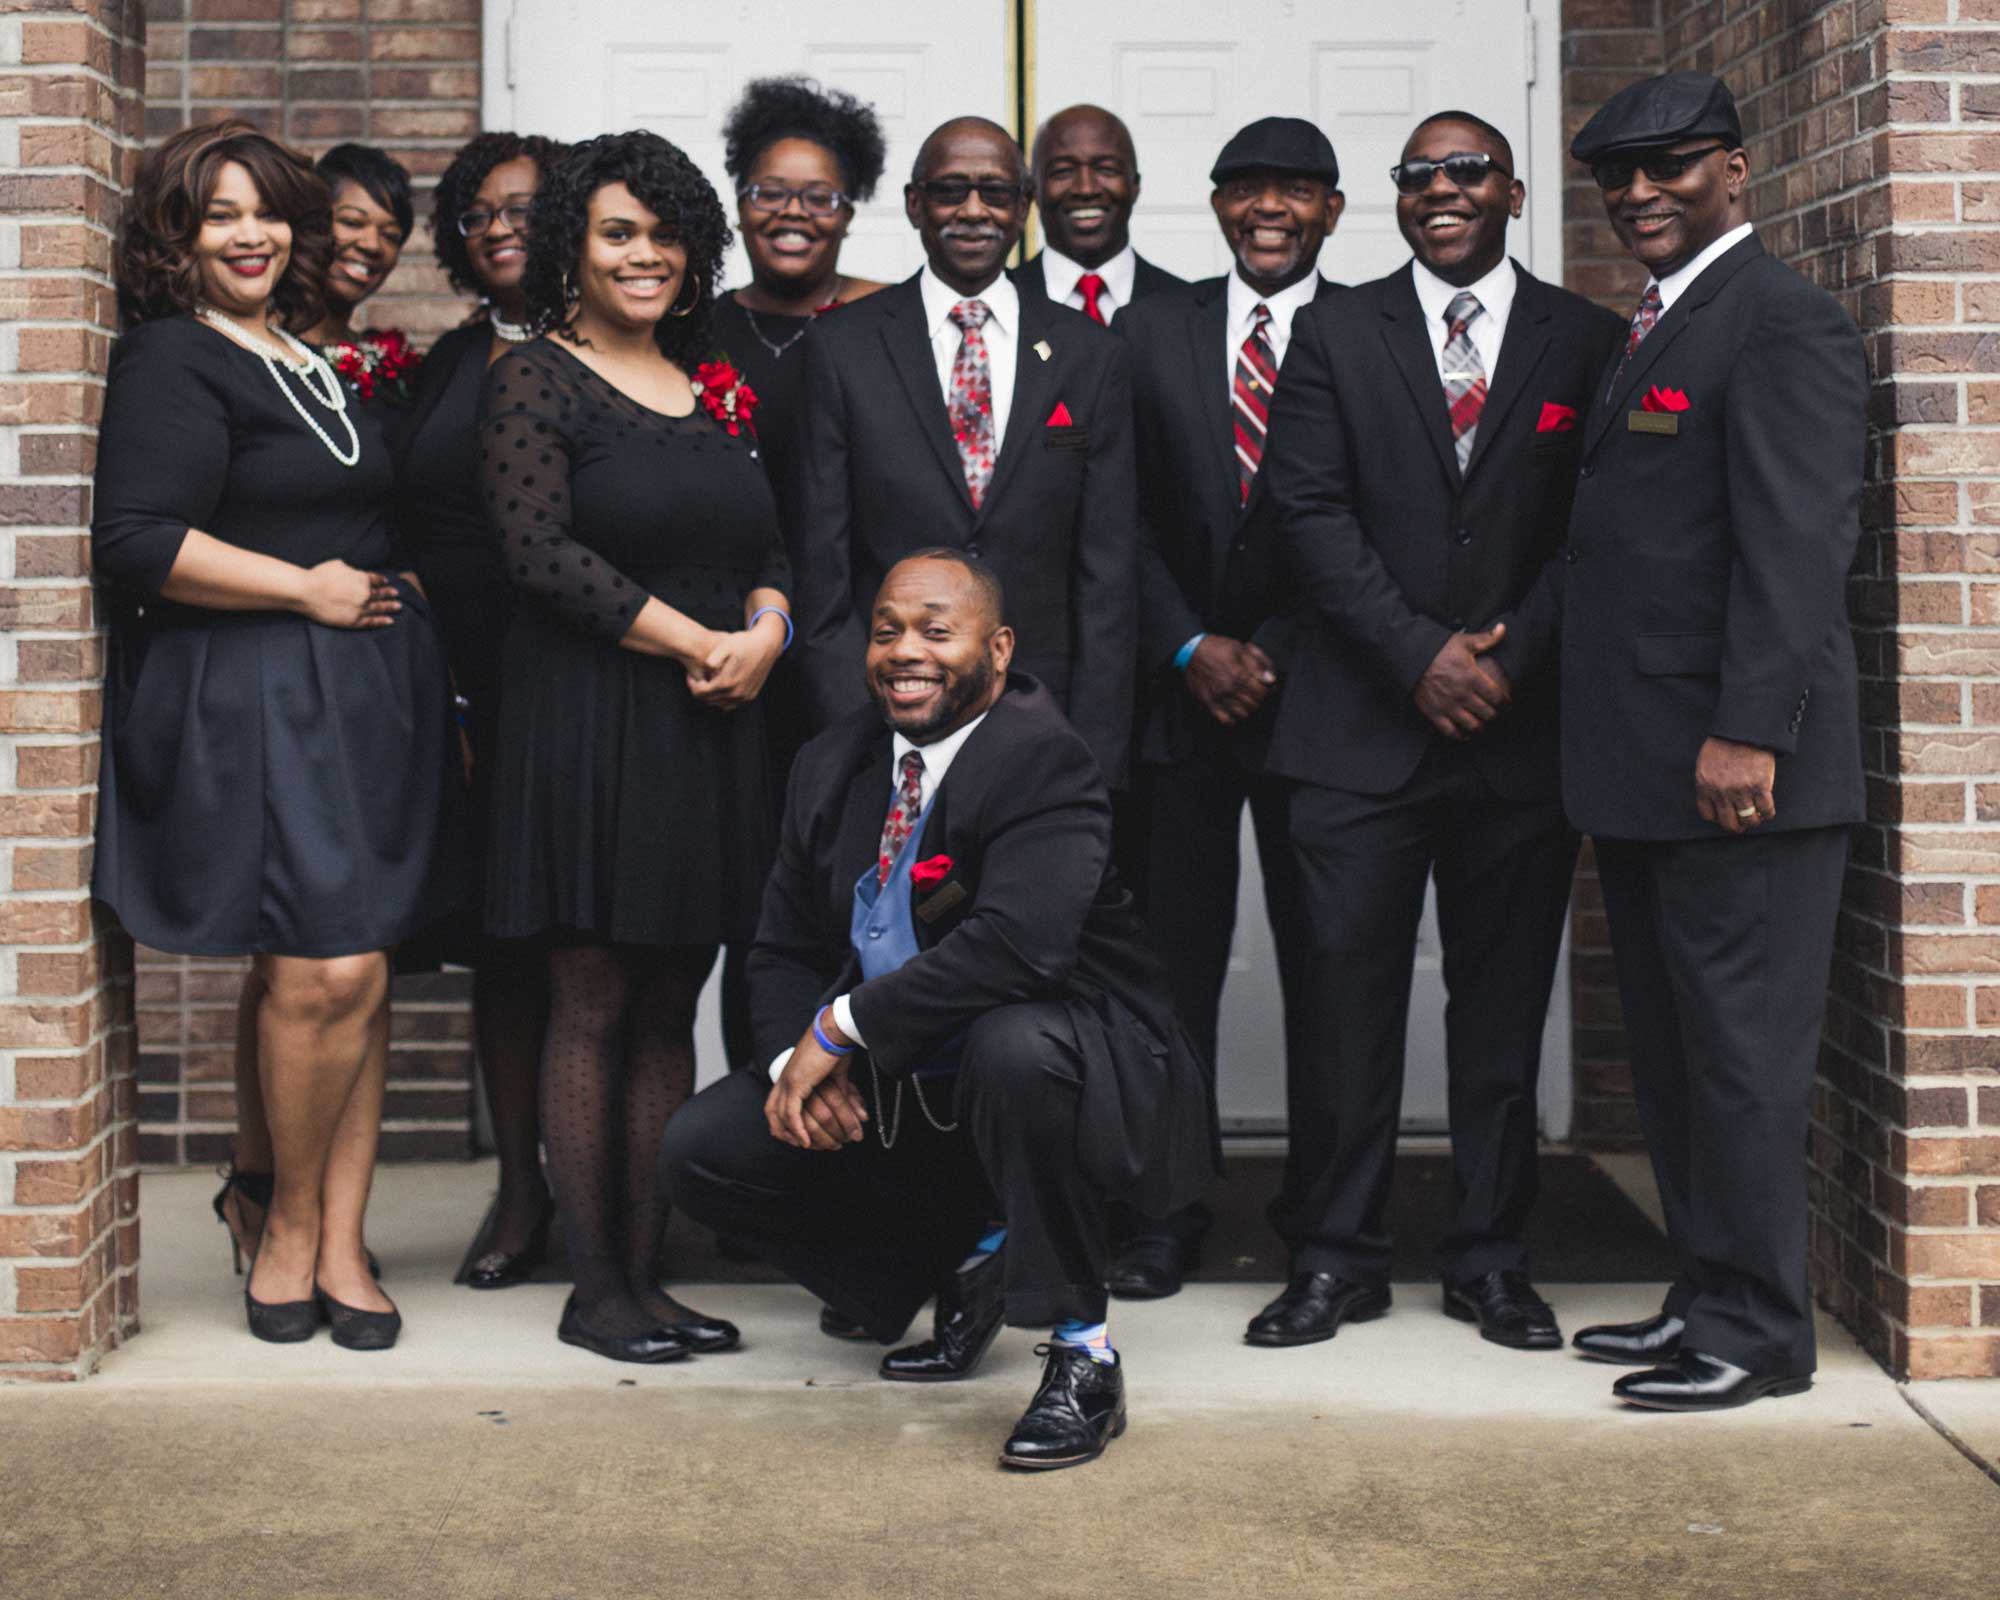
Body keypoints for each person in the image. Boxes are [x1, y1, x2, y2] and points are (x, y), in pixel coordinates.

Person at [660, 551, 1212, 1470]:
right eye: (886, 631)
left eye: (935, 631)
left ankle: (1084, 1355)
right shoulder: (830, 763)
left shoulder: (1045, 758)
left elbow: (1019, 947)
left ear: (997, 651)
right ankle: (959, 1265)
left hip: (1069, 1061)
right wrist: (794, 1060)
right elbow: (785, 947)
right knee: (703, 1152)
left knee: (1013, 1046)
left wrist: (838, 1029)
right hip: (919, 1080)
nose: (904, 651)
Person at [1252, 110, 1623, 1352]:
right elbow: (1302, 512)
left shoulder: (1586, 339)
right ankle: (1334, 1257)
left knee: (1500, 1012)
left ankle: (1489, 1257)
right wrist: (1415, 654)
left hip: (1515, 743)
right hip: (1356, 733)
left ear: (1510, 194)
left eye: (1466, 171)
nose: (1441, 189)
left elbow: (1595, 528)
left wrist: (1506, 655)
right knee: (1340, 1007)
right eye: (1417, 176)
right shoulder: (1332, 328)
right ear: (1397, 200)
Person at [94, 121, 463, 1350]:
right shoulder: (171, 357)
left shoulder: (308, 356)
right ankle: (287, 1223)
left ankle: (340, 1233)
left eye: (265, 213)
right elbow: (139, 538)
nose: (248, 235)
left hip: (363, 700)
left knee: (361, 967)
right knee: (323, 969)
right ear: (176, 238)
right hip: (261, 698)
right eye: (217, 216)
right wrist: (305, 588)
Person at [1561, 72, 1865, 1411]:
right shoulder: (1667, 323)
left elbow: (1795, 551)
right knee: (1682, 1056)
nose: (1639, 195)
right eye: (1617, 177)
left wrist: (1750, 733)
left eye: (1670, 167)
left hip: (1740, 777)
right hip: (1646, 773)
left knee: (1740, 1061)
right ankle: (1706, 1294)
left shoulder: (1781, 322)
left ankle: (1757, 1334)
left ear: (1735, 171)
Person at [478, 130, 792, 1363]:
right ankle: (594, 1285)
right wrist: (694, 644)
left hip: (711, 722)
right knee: (594, 994)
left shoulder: (710, 375)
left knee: (673, 1001)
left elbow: (769, 535)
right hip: (594, 723)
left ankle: (650, 1279)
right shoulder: (533, 378)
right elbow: (540, 553)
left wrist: (763, 629)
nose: (644, 254)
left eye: (663, 233)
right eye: (617, 232)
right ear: (572, 243)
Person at [1104, 117, 1345, 1300]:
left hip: (1323, 707)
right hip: (1178, 706)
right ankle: (1166, 1206)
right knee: (1170, 969)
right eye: (1245, 189)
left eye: (1292, 191)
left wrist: (1280, 649)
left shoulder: (1371, 329)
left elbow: (1374, 519)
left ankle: (1323, 1214)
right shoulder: (1148, 330)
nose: (1267, 209)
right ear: (1212, 207)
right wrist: (1188, 642)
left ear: (1330, 212)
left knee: (1327, 965)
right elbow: (1116, 512)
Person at [221, 140, 424, 1294]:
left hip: (366, 677)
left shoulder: (360, 368)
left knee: (344, 962)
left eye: (387, 235)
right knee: (301, 961)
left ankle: (309, 1222)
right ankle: (277, 1210)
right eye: (347, 219)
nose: (364, 245)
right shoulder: (235, 354)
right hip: (269, 674)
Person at [793, 115, 1138, 788]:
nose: (974, 210)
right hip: (885, 716)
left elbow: (1109, 577)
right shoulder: (842, 349)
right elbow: (821, 565)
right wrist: (855, 733)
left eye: (996, 191)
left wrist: (1091, 751)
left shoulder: (1090, 355)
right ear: (915, 204)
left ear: (1024, 207)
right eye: (952, 190)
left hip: (1045, 722)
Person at [394, 130, 568, 1290]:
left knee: (604, 946)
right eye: (477, 213)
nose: (499, 227)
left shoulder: (627, 346)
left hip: (598, 685)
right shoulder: (445, 368)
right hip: (469, 695)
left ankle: (619, 1184)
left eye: (523, 208)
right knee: (505, 949)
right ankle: (521, 1189)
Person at [712, 76, 889, 1075]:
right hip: (732, 661)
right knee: (758, 911)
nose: (791, 212)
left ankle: (870, 1146)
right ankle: (762, 1131)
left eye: (817, 195)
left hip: (854, 652)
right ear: (737, 198)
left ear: (849, 206)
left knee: (864, 889)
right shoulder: (691, 331)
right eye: (768, 190)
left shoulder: (887, 325)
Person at [1014, 104, 1184, 323]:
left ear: (1135, 185)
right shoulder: (1003, 301)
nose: (1086, 189)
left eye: (1106, 169)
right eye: (1063, 171)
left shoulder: (1183, 308)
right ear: (1034, 190)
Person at [303, 143, 420, 405]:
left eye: (390, 236)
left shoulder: (388, 369)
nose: (372, 245)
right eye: (352, 222)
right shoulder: (263, 352)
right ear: (311, 222)